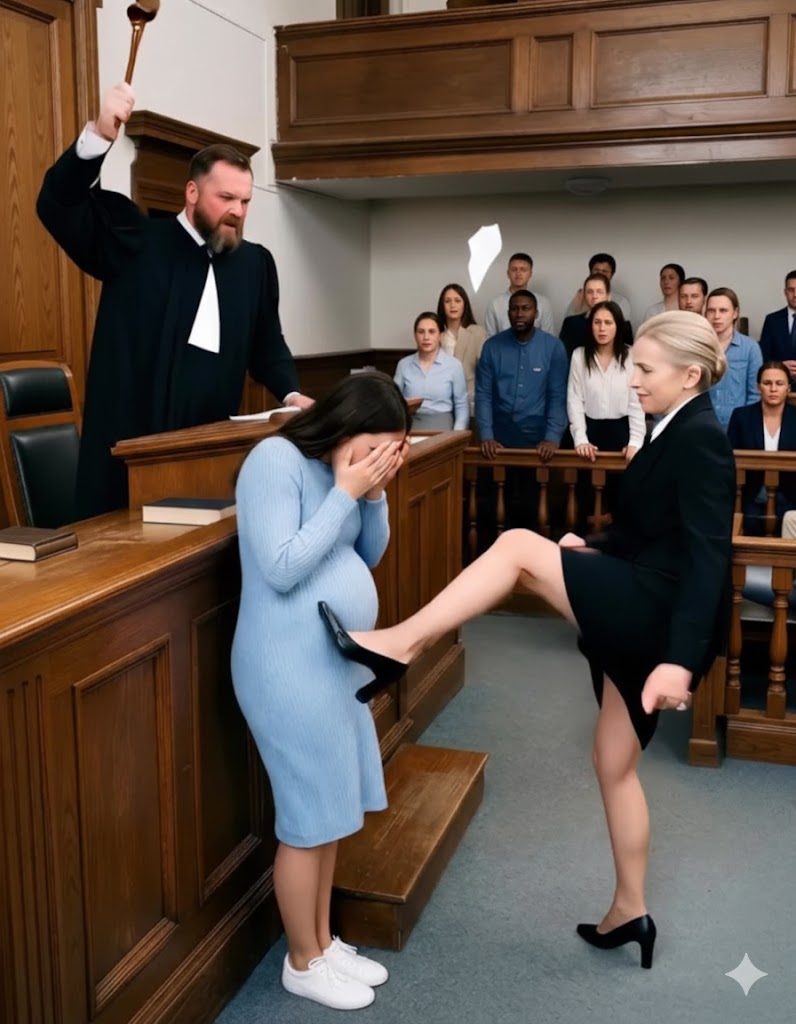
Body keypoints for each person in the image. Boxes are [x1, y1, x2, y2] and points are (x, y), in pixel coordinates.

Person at [321, 311, 736, 970]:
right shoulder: (674, 426)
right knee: (613, 763)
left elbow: (709, 559)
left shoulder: (703, 437)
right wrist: (589, 546)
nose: (634, 381)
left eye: (646, 370)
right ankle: (631, 909)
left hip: (656, 613)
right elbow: (654, 531)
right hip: (644, 588)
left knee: (516, 544)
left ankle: (400, 645)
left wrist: (679, 664)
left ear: (690, 375)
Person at [36, 82, 310, 518]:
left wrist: (292, 394)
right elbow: (58, 205)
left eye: (245, 201)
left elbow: (267, 346)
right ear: (192, 193)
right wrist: (99, 136)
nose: (238, 211)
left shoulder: (254, 264)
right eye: (226, 198)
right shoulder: (135, 242)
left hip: (210, 461)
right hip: (129, 465)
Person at [231, 372, 411, 1010]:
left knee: (332, 811)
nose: (379, 460)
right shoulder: (274, 461)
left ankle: (324, 942)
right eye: (376, 448)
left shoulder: (346, 474)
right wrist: (346, 492)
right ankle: (301, 960)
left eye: (391, 453)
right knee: (307, 819)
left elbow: (371, 553)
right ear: (344, 426)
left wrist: (374, 496)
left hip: (335, 666)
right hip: (285, 667)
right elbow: (281, 567)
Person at [475, 290, 568, 460]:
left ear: (536, 313)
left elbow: (558, 396)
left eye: (526, 308)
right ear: (508, 313)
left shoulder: (554, 347)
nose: (520, 314)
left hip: (539, 436)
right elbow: (484, 395)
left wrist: (552, 438)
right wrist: (487, 436)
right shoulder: (491, 347)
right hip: (498, 436)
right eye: (514, 309)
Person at [567, 301, 645, 462]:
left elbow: (636, 404)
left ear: (618, 326)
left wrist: (635, 443)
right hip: (589, 432)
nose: (602, 328)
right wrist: (581, 439)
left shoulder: (631, 356)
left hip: (622, 432)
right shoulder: (579, 356)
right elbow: (575, 401)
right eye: (597, 322)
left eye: (608, 323)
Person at [727, 361, 796, 534]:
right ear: (758, 387)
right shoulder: (741, 416)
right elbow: (729, 458)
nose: (773, 389)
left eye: (779, 384)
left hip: (790, 497)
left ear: (788, 388)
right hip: (749, 495)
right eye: (767, 383)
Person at [394, 313, 469, 430]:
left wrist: (457, 433)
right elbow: (394, 400)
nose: (426, 337)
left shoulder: (454, 365)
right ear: (415, 336)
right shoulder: (404, 365)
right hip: (410, 422)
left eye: (431, 332)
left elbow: (461, 405)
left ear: (440, 336)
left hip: (442, 421)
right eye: (421, 332)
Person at [704, 287, 762, 430]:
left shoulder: (750, 348)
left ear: (735, 313)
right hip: (703, 425)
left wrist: (746, 425)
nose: (716, 316)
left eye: (723, 310)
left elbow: (755, 394)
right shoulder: (699, 347)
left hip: (739, 426)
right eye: (711, 310)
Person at [436, 283, 487, 414]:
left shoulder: (477, 332)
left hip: (470, 402)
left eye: (457, 301)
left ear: (465, 305)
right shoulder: (435, 334)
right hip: (440, 402)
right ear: (442, 306)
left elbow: (485, 372)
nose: (452, 305)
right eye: (447, 301)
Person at [560, 273, 633, 359]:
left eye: (599, 292)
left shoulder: (623, 325)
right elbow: (563, 357)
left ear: (608, 295)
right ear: (584, 295)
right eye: (590, 292)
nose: (594, 296)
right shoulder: (571, 323)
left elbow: (628, 356)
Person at [483, 253, 554, 336]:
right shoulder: (494, 304)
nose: (518, 273)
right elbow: (490, 338)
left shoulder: (543, 303)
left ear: (530, 274)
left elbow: (548, 337)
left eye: (523, 270)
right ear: (508, 273)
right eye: (514, 269)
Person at [565, 253, 631, 321]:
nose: (600, 274)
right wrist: (580, 307)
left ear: (612, 275)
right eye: (596, 270)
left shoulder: (621, 302)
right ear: (590, 273)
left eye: (604, 271)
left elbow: (623, 325)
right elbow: (569, 322)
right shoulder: (579, 298)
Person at [759, 270, 796, 385]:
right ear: (785, 292)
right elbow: (763, 357)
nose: (795, 294)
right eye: (791, 290)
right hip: (777, 386)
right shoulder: (772, 320)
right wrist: (780, 366)